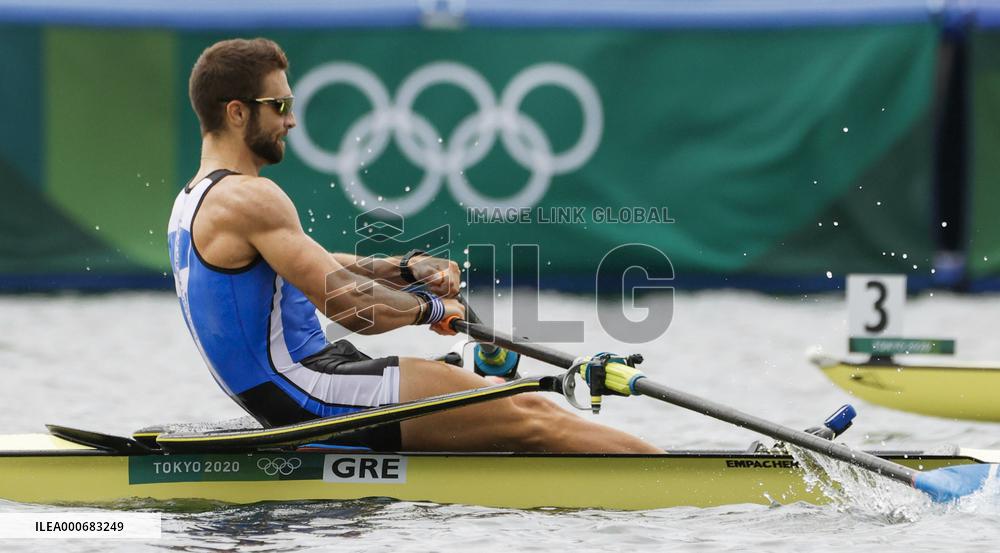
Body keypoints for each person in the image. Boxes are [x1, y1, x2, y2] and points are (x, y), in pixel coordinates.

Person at [168, 37, 659, 454]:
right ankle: (677, 484)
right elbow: (352, 308)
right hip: (310, 394)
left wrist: (401, 268)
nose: (291, 121)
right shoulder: (250, 198)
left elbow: (312, 268)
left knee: (500, 395)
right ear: (236, 112)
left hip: (302, 385)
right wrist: (429, 309)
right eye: (281, 106)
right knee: (532, 416)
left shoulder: (195, 201)